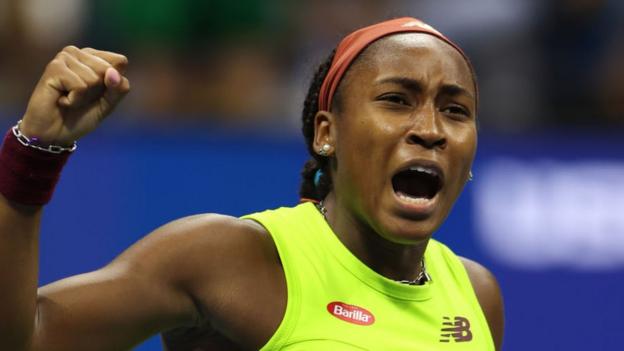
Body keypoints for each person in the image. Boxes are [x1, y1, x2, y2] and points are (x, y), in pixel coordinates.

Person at [0, 17, 504, 350]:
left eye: (455, 111)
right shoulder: (230, 259)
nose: (431, 129)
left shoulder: (476, 296)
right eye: (397, 99)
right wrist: (32, 155)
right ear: (327, 133)